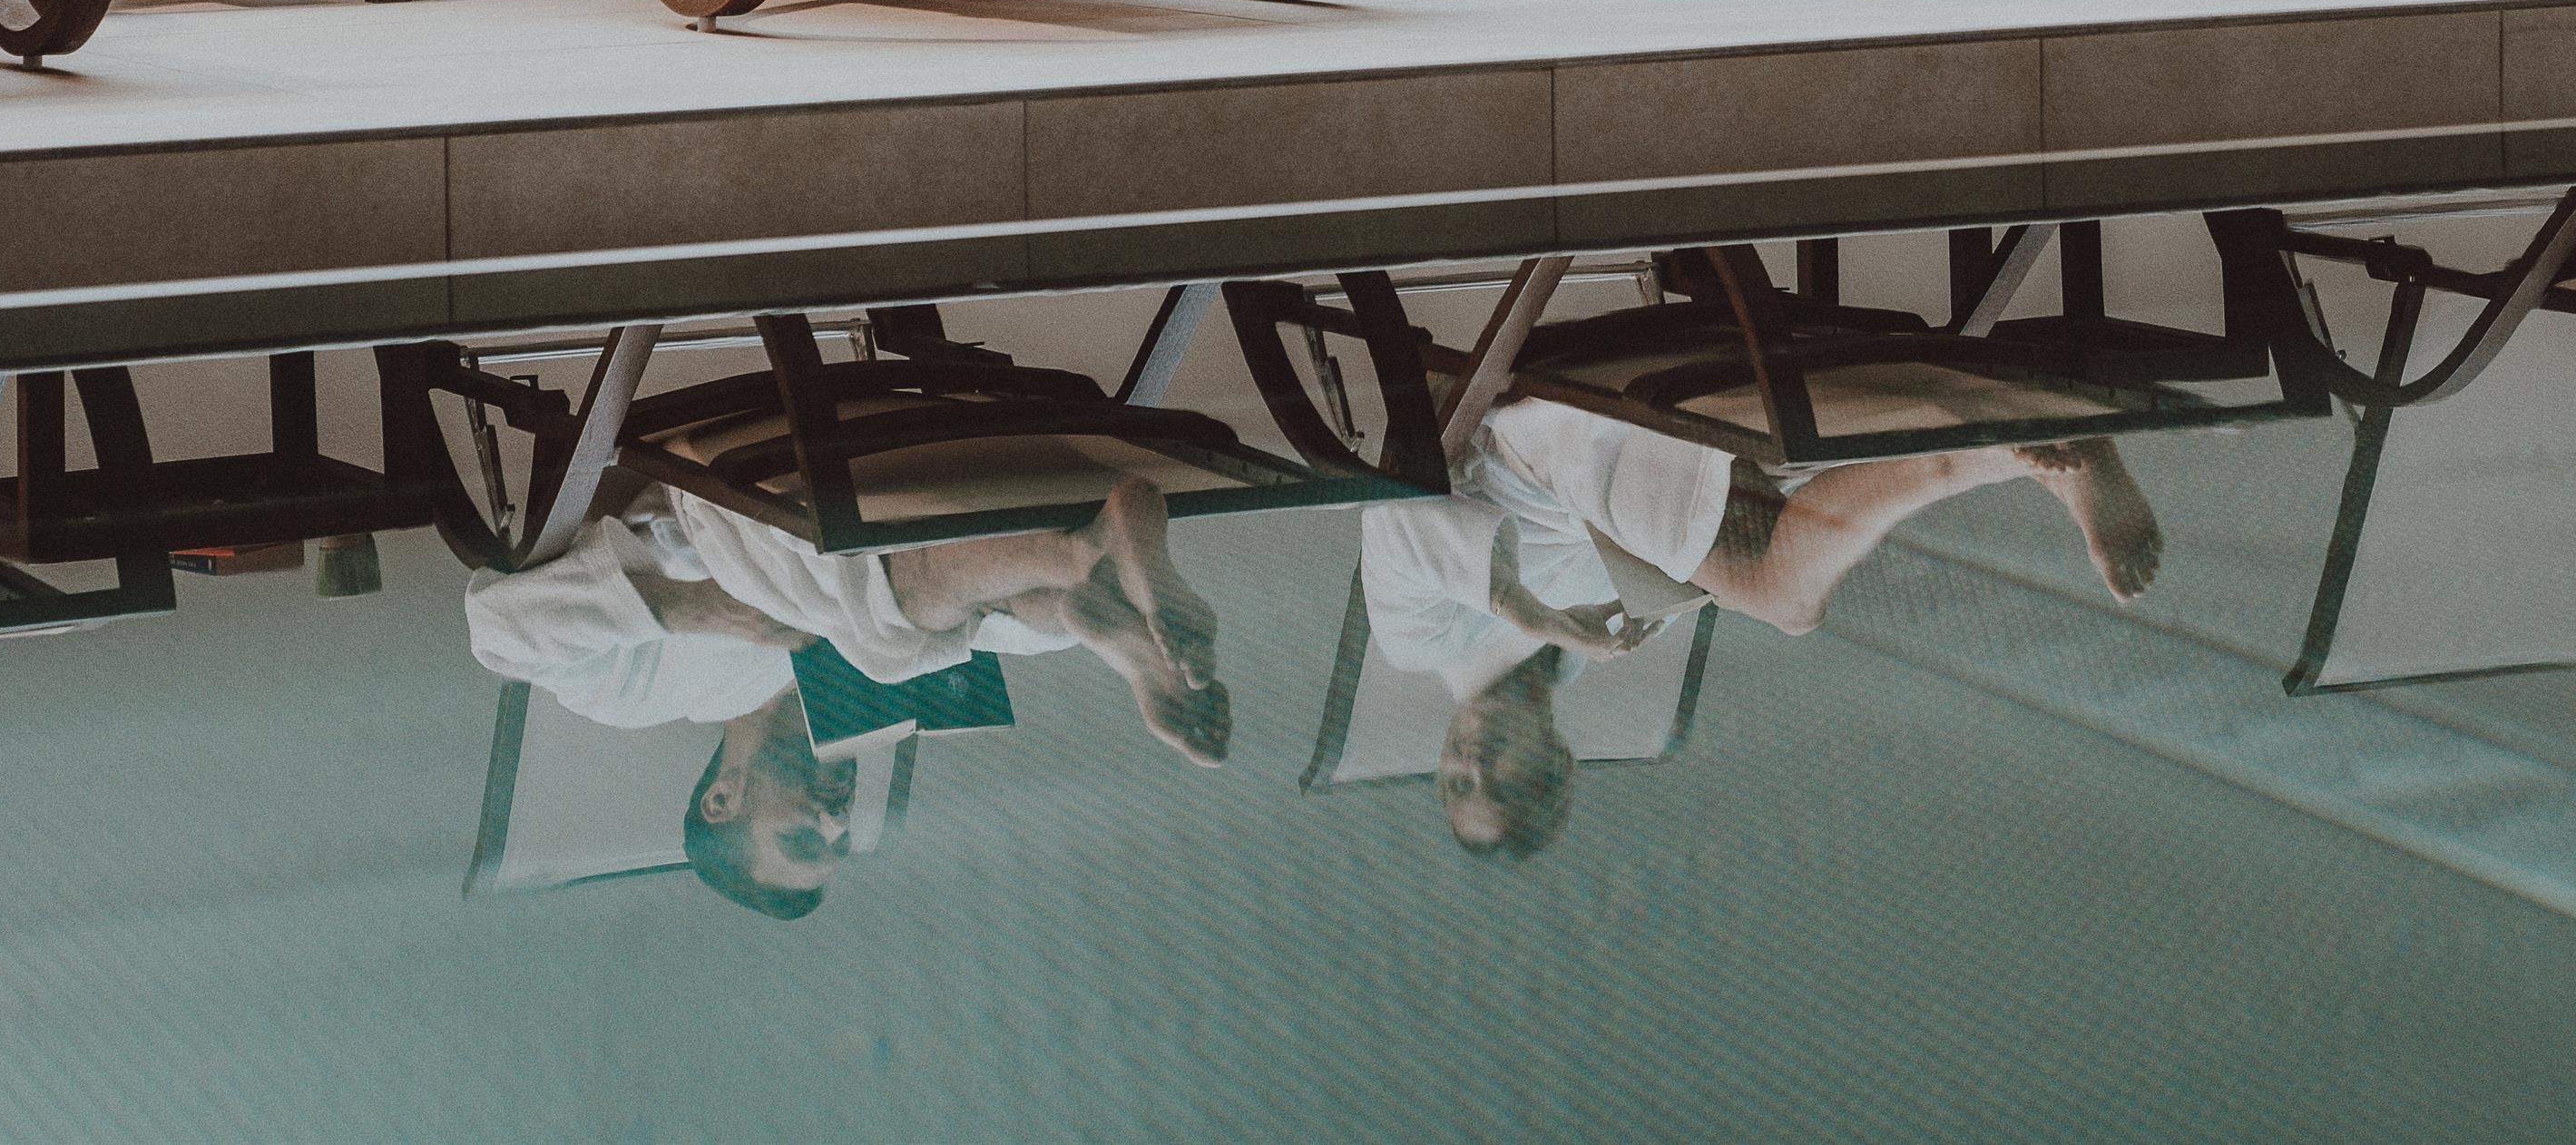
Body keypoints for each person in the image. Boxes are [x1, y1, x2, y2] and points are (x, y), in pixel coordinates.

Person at [1361, 396, 2160, 861]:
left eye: (1454, 781)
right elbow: (1671, 560)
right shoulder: (1599, 642)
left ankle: (1995, 451)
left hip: (1552, 447)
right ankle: (2009, 440)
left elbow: (1395, 520)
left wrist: (1541, 617)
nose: (1472, 762)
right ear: (1558, 765)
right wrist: (1636, 607)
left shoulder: (1422, 644)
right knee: (1786, 546)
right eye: (1501, 783)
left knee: (1786, 600)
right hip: (1652, 463)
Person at [466, 474, 1226, 921]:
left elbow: (497, 632)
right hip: (883, 522)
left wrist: (700, 609)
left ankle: (1089, 555)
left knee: (886, 636)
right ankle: (1109, 617)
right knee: (980, 634)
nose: (837, 818)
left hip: (732, 510)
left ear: (724, 799)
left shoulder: (644, 695)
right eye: (840, 838)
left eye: (804, 838)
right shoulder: (859, 712)